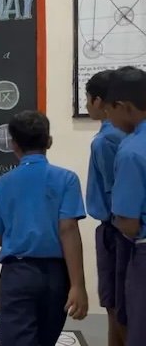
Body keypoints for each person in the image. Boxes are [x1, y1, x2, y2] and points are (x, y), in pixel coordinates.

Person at [0, 110, 88, 346]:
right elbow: (69, 230)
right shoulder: (67, 179)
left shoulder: (2, 184)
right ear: (49, 141)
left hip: (18, 274)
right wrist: (78, 285)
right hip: (56, 276)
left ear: (13, 144)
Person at [85, 70, 129, 346]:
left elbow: (115, 193)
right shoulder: (129, 134)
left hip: (116, 231)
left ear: (99, 101)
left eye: (88, 99)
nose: (87, 105)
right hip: (124, 229)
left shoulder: (105, 140)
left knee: (115, 306)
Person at [105, 66, 146, 346]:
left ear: (124, 107)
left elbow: (129, 224)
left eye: (110, 110)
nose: (109, 118)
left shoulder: (132, 151)